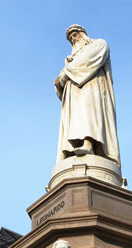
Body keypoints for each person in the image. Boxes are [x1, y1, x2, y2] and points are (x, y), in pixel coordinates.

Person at [54, 25, 120, 166]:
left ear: (82, 34)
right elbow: (59, 82)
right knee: (75, 120)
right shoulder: (70, 59)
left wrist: (68, 72)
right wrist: (63, 76)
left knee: (89, 116)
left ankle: (89, 144)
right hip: (74, 94)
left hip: (92, 87)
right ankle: (72, 150)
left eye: (75, 35)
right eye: (71, 38)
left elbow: (88, 61)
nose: (73, 39)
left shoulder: (99, 44)